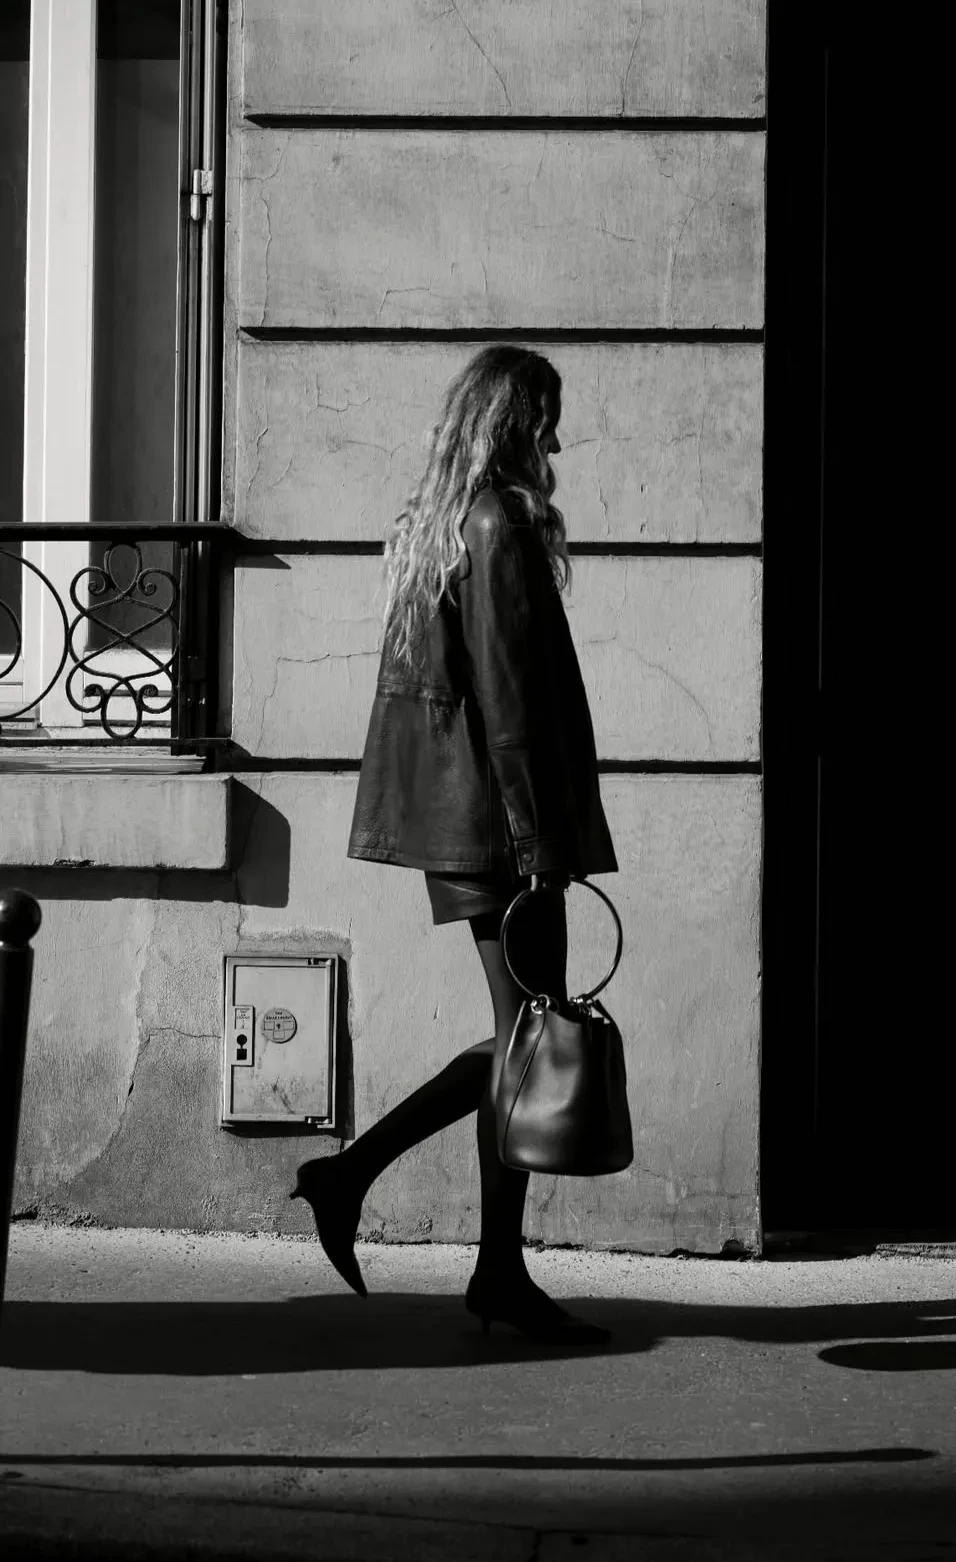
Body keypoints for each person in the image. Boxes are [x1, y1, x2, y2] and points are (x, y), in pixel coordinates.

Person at [290, 345, 618, 1343]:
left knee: (524, 1037)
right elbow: (510, 706)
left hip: (476, 818)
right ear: (514, 421)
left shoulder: (444, 521)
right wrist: (538, 840)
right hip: (502, 825)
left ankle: (396, 1205)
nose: (557, 439)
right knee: (529, 1040)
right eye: (546, 418)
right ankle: (477, 1258)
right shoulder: (494, 524)